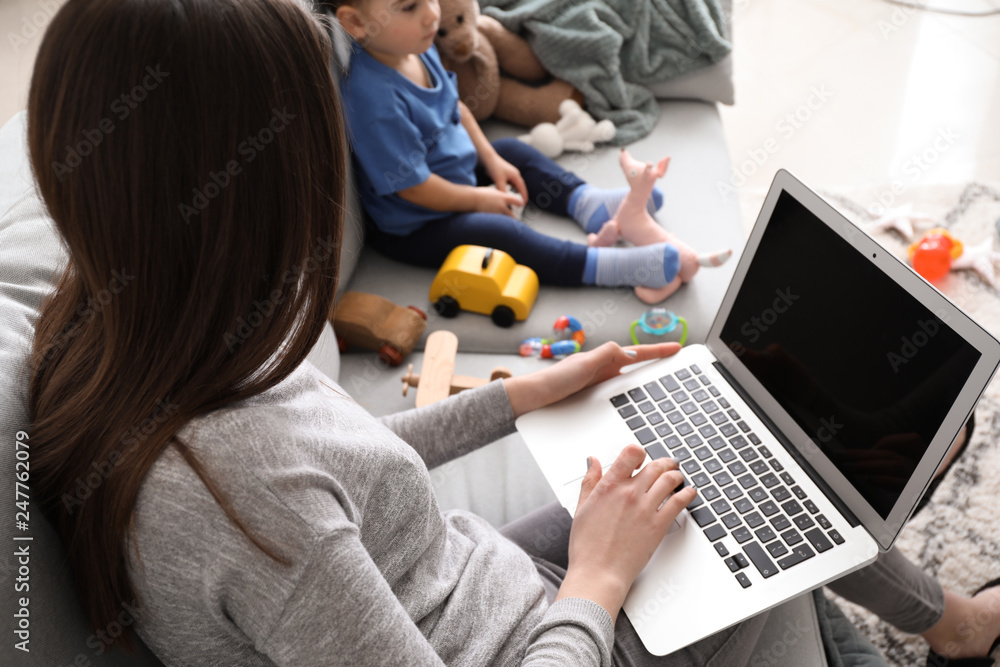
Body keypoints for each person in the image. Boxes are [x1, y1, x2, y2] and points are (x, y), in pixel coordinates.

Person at [24, 0, 999, 665]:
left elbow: (333, 466)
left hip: (481, 581)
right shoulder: (247, 505)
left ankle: (930, 609)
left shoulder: (124, 335)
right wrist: (600, 578)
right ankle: (918, 609)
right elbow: (291, 497)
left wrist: (521, 395)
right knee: (766, 519)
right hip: (550, 634)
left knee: (727, 440)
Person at [330, 0, 729, 303]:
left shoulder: (415, 47)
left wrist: (491, 159)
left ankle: (587, 202)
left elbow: (457, 109)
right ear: (355, 23)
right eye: (409, 7)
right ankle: (605, 266)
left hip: (456, 174)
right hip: (418, 223)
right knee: (501, 233)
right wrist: (479, 200)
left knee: (512, 152)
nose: (432, 14)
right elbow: (413, 187)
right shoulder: (373, 101)